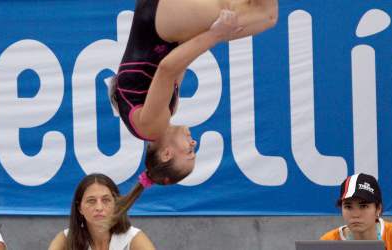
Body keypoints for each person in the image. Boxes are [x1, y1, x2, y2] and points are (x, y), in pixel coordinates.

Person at [109, 0, 279, 187]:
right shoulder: (169, 111)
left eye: (190, 153)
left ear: (167, 154)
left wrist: (215, 35)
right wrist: (215, 33)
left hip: (157, 19)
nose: (194, 144)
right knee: (259, 14)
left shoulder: (151, 128)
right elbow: (181, 57)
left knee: (264, 15)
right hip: (162, 22)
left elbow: (167, 68)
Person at [48, 173, 155, 250]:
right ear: (80, 208)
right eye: (91, 201)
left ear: (115, 204)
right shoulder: (65, 239)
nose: (99, 207)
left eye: (106, 200)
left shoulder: (133, 238)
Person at [320, 173, 392, 250]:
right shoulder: (328, 241)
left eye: (363, 206)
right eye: (348, 207)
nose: (355, 214)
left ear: (378, 209)